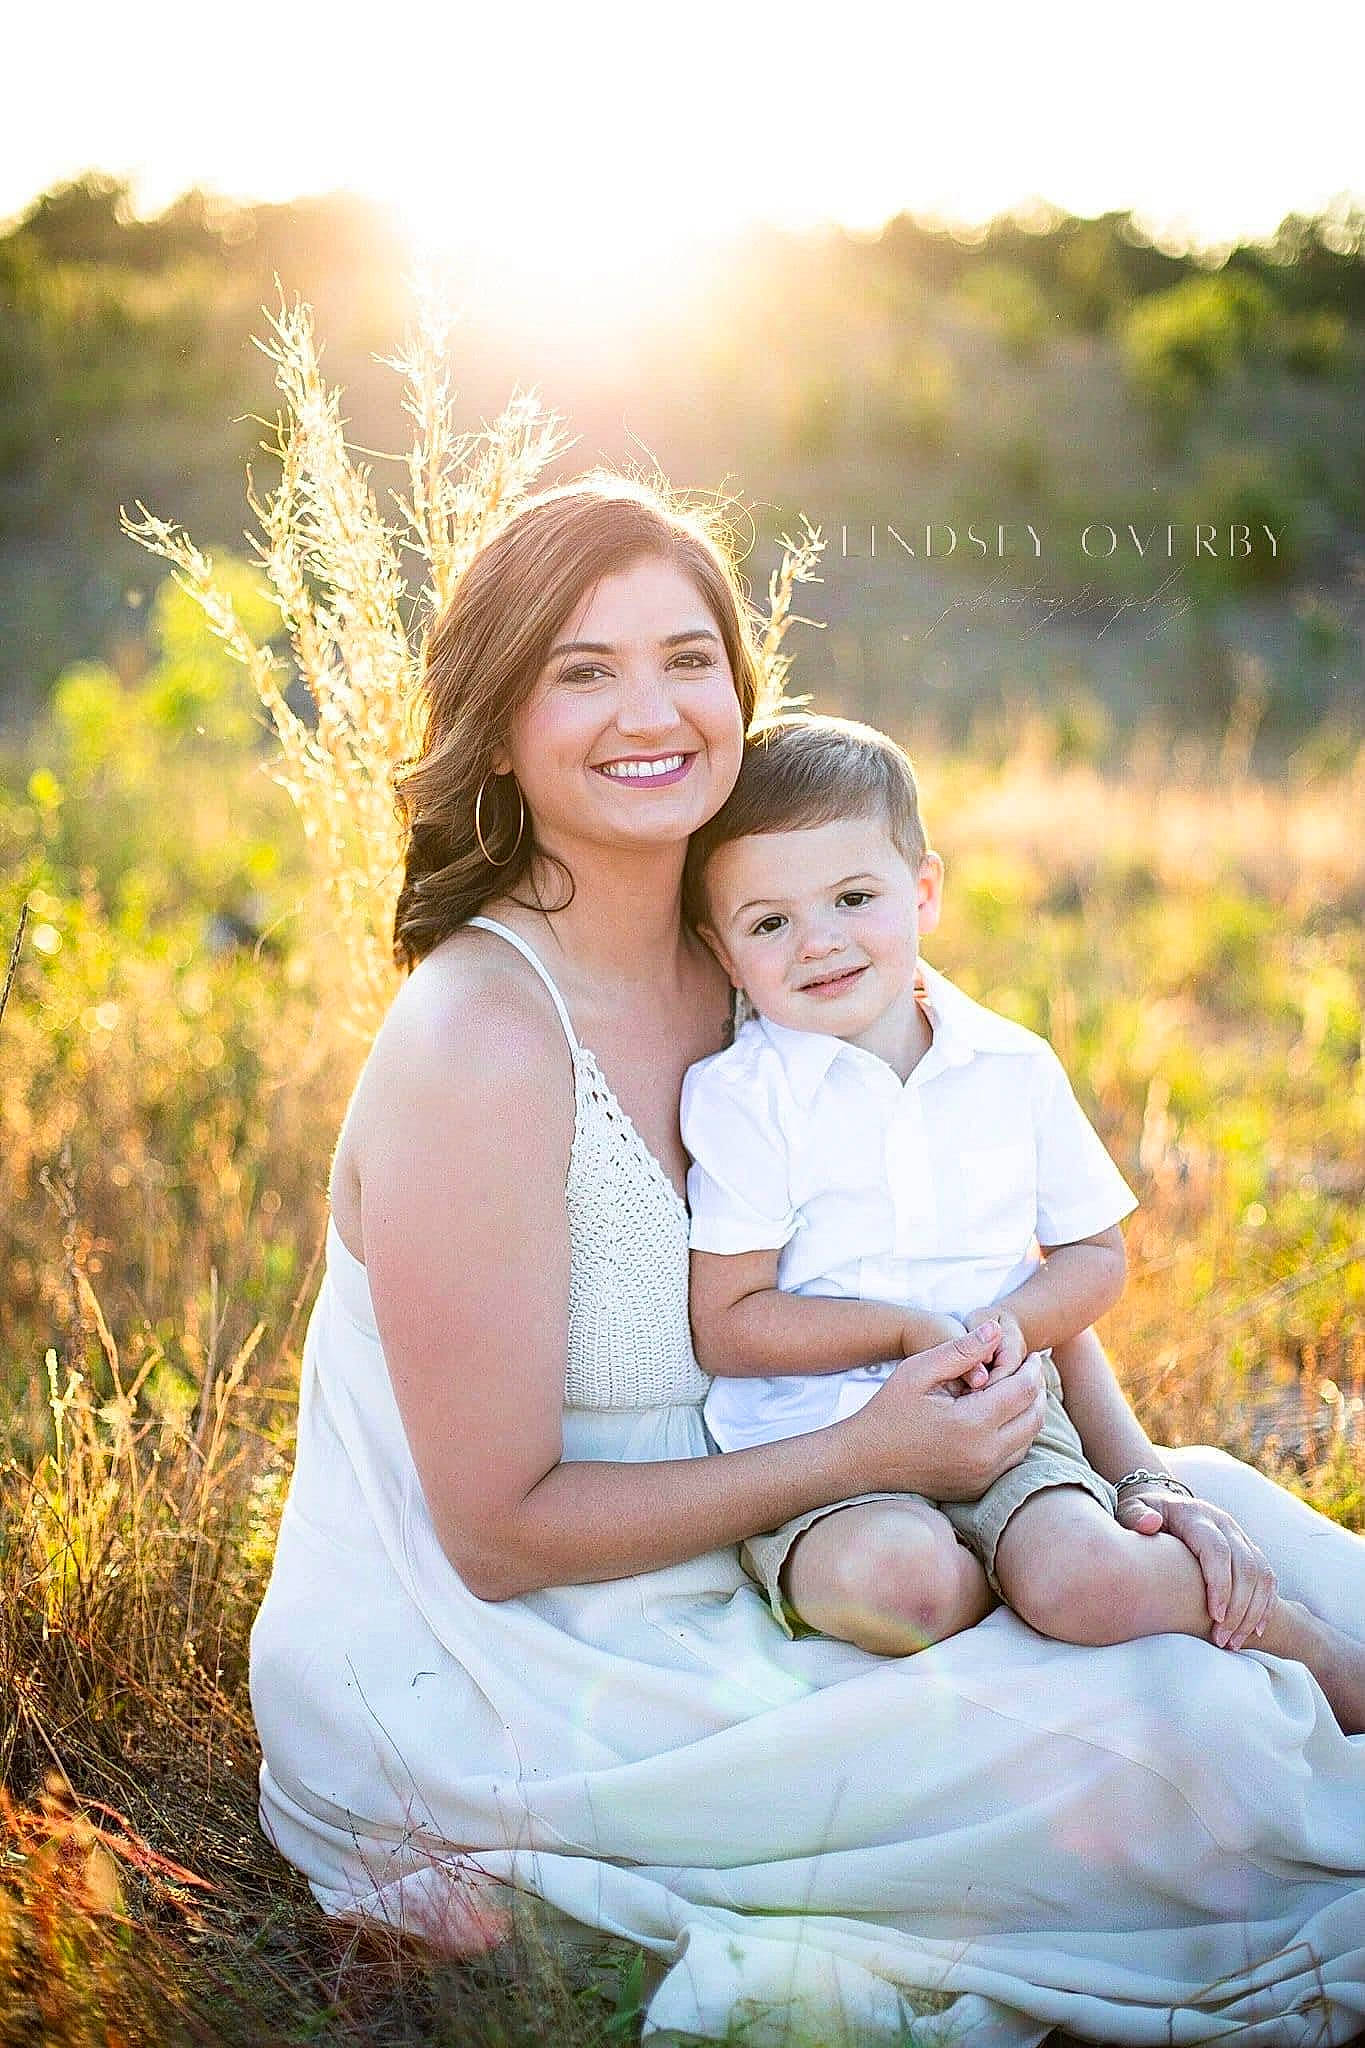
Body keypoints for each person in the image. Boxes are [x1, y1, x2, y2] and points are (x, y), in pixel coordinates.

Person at [249, 474, 1365, 2046]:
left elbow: (971, 1255)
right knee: (1193, 1743)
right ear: (497, 727)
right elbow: (495, 1538)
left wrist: (1135, 1480)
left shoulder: (770, 946)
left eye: (686, 658)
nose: (652, 711)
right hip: (537, 1653)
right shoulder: (481, 1043)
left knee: (1260, 1546)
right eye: (583, 670)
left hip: (844, 1493)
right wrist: (865, 1456)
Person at [680, 712, 1365, 1729]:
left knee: (1086, 1575)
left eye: (854, 898)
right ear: (722, 951)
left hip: (1001, 1412)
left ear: (923, 890)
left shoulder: (1009, 1065)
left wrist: (1009, 1327)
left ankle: (1296, 1638)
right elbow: (729, 1322)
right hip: (820, 1442)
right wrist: (905, 1333)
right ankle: (997, 1602)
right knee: (899, 1585)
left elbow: (1093, 1253)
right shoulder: (742, 1096)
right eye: (768, 922)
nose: (818, 940)